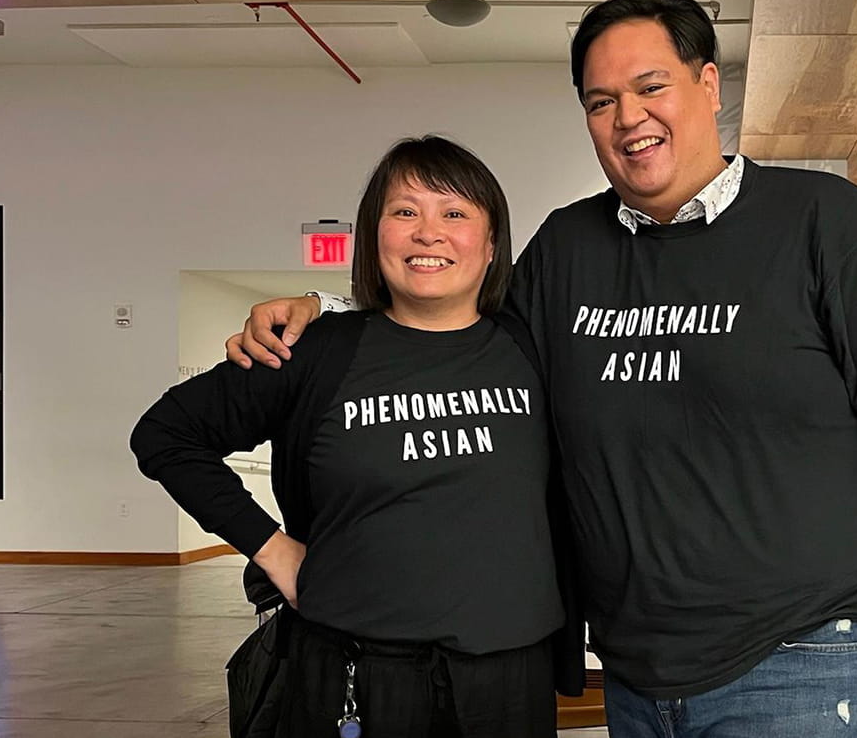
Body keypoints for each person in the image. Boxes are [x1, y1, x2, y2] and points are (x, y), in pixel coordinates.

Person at [226, 0, 857, 736]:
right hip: (635, 666)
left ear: (708, 84)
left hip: (799, 655)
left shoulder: (822, 220)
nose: (628, 117)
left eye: (651, 87)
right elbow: (456, 331)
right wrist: (324, 309)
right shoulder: (567, 247)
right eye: (601, 101)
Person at [131, 136, 581, 738]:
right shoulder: (315, 352)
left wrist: (318, 299)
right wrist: (272, 549)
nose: (429, 233)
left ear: (493, 242)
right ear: (374, 235)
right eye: (405, 211)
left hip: (507, 679)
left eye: (454, 213)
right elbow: (166, 434)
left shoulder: (535, 347)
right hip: (354, 673)